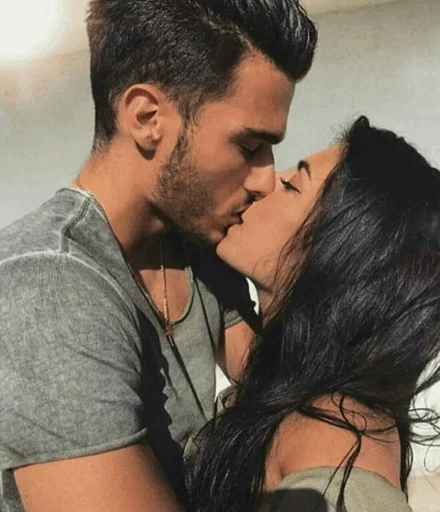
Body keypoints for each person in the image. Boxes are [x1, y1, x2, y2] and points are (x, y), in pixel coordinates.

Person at [0, 1, 317, 511]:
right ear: (147, 118)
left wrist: (280, 273)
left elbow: (281, 401)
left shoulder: (196, 245)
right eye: (249, 146)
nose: (265, 180)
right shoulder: (46, 286)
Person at [185, 116, 440, 512]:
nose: (265, 183)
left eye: (292, 186)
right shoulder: (290, 373)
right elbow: (239, 343)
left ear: (340, 252)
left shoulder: (334, 438)